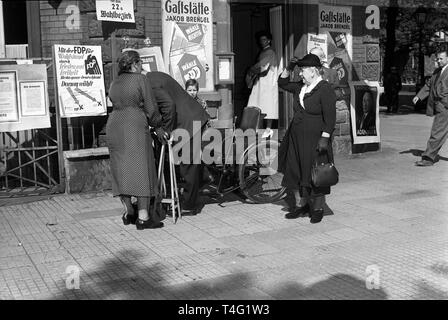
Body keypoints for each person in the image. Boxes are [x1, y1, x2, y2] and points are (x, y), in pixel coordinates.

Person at [106, 51, 168, 230]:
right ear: (134, 64)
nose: (142, 66)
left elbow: (112, 99)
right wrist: (158, 126)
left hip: (115, 125)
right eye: (140, 63)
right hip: (134, 125)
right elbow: (151, 107)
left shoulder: (115, 82)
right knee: (141, 168)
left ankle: (128, 212)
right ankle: (143, 217)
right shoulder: (141, 79)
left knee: (120, 169)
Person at [277, 53, 337, 224]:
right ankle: (301, 204)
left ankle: (317, 207)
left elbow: (330, 118)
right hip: (296, 137)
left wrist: (324, 138)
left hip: (315, 139)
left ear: (313, 71)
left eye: (302, 70)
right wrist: (289, 67)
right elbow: (282, 83)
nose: (300, 74)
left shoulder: (324, 89)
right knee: (296, 170)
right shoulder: (300, 87)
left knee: (316, 172)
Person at [145, 71, 210, 214]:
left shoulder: (150, 84)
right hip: (188, 120)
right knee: (187, 164)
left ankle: (189, 205)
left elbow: (168, 105)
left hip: (188, 122)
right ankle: (203, 178)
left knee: (188, 165)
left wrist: (166, 130)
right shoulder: (154, 75)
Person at [415, 46, 448, 167]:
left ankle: (428, 158)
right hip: (442, 108)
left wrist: (444, 102)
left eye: (441, 58)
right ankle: (429, 157)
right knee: (437, 132)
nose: (438, 61)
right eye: (437, 59)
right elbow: (429, 85)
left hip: (444, 107)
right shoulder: (437, 71)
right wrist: (419, 96)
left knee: (437, 132)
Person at [246, 30, 279, 138]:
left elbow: (263, 67)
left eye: (264, 39)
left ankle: (268, 128)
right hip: (262, 81)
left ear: (269, 40)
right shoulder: (263, 52)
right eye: (261, 40)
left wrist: (252, 69)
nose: (262, 42)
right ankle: (260, 128)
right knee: (259, 104)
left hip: (267, 82)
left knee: (267, 105)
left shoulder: (270, 52)